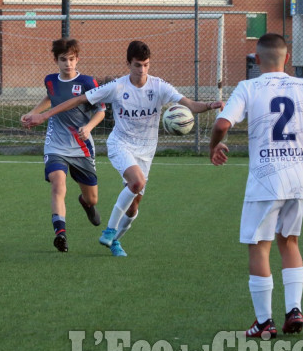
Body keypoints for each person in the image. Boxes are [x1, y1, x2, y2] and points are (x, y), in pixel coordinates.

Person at [24, 40, 222, 256]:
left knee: (134, 206)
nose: (142, 70)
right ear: (129, 64)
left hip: (146, 151)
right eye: (138, 65)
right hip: (120, 144)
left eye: (146, 65)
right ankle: (106, 230)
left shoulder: (159, 86)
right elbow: (78, 99)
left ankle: (115, 240)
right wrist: (43, 115)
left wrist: (209, 106)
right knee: (136, 182)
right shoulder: (117, 87)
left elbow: (190, 105)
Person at [209, 33, 303, 338]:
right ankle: (294, 309)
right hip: (298, 178)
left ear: (256, 61)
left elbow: (221, 124)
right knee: (289, 242)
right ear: (288, 59)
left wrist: (214, 146)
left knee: (259, 246)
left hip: (265, 180)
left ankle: (264, 322)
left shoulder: (248, 87)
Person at [21, 38, 105, 253]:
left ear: (77, 59)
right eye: (63, 60)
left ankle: (86, 203)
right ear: (55, 61)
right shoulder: (50, 80)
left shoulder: (87, 82)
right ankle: (60, 233)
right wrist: (33, 113)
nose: (68, 64)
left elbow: (101, 111)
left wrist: (88, 128)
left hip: (81, 146)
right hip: (55, 143)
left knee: (92, 197)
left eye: (71, 59)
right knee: (58, 183)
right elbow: (50, 97)